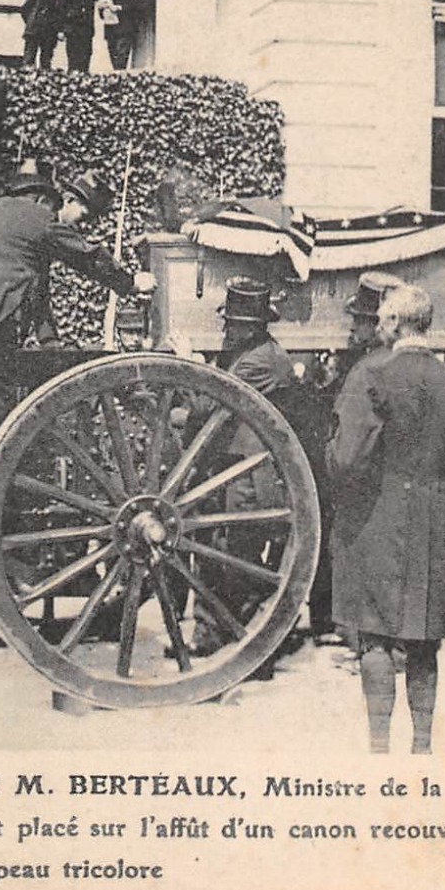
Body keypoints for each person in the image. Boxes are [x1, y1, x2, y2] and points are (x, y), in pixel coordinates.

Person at [0, 167, 152, 513]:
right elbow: (88, 257)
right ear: (58, 200)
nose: (78, 225)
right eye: (81, 215)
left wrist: (51, 343)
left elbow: (35, 289)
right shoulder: (41, 219)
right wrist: (130, 283)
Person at [328, 284, 445, 753]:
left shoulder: (373, 377)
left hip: (378, 515)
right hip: (436, 518)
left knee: (374, 635)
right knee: (424, 638)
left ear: (393, 323)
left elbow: (349, 459)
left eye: (382, 320)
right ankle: (423, 747)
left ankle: (378, 748)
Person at [191, 278, 300, 655]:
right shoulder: (251, 353)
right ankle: (220, 635)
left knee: (239, 559)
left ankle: (256, 643)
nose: (226, 330)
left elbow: (210, 403)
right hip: (235, 471)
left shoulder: (259, 362)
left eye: (232, 324)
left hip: (250, 477)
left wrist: (189, 365)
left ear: (251, 327)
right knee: (225, 554)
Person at [308, 271, 404, 645]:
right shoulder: (375, 361)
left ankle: (362, 635)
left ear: (376, 324)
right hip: (377, 477)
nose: (352, 328)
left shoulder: (371, 367)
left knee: (358, 554)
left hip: (362, 478)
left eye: (360, 322)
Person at [97, 0, 140, 71]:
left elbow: (135, 5)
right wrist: (101, 9)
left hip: (124, 31)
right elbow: (102, 15)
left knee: (121, 60)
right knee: (114, 61)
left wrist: (119, 8)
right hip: (110, 31)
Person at [20, 0, 63, 70]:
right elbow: (25, 10)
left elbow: (61, 16)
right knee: (29, 60)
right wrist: (32, 22)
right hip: (34, 32)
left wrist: (58, 30)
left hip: (49, 34)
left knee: (46, 61)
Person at [58, 0, 98, 72]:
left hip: (86, 32)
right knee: (73, 60)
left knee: (85, 60)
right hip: (73, 31)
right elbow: (61, 11)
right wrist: (61, 30)